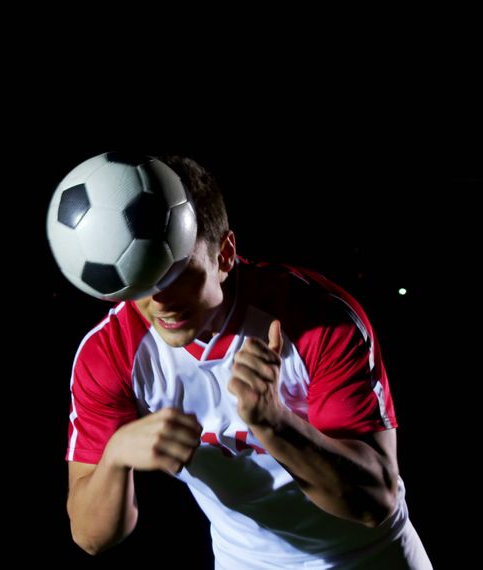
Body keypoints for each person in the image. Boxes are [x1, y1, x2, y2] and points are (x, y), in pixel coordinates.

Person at [64, 156, 432, 569]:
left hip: (371, 557)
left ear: (224, 255)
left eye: (177, 272)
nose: (160, 300)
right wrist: (115, 456)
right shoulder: (110, 354)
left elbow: (374, 503)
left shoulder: (318, 318)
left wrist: (274, 422)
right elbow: (91, 537)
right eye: (146, 277)